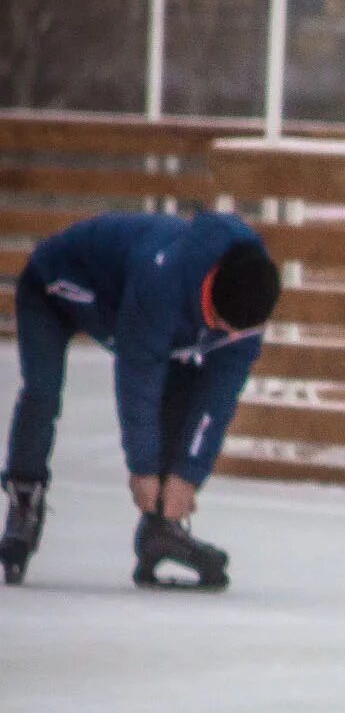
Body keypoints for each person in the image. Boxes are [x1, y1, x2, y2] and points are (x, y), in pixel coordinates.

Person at [2, 209, 282, 588]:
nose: (232, 336)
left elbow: (220, 395)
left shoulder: (249, 295)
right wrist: (144, 470)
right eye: (225, 328)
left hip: (128, 307)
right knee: (43, 393)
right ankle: (24, 497)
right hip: (54, 287)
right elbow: (139, 380)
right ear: (211, 301)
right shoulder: (163, 280)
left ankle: (160, 525)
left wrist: (188, 475)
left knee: (190, 375)